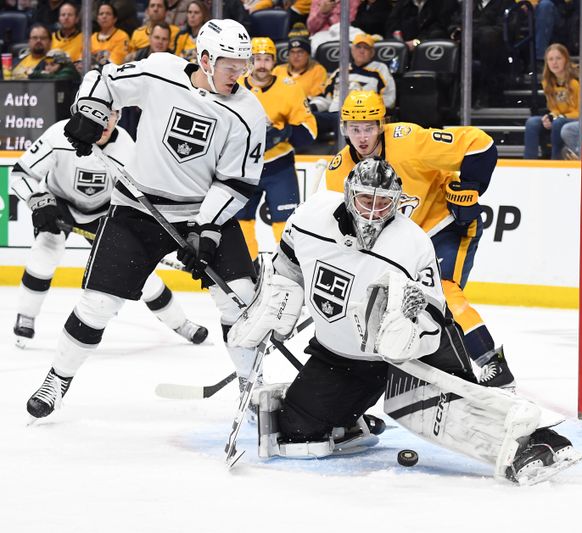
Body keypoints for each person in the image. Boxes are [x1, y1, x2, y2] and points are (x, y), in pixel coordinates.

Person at [227, 157, 582, 484]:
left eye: (384, 202)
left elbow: (433, 316)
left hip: (413, 348)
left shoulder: (411, 243)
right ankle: (351, 419)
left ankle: (538, 441)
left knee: (455, 405)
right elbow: (287, 264)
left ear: (397, 202)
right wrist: (275, 303)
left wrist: (405, 330)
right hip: (345, 356)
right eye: (367, 199)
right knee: (296, 431)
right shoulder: (309, 218)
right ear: (349, 194)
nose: (374, 211)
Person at [25, 19, 267, 420]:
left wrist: (206, 232)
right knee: (97, 303)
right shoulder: (161, 71)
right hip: (137, 210)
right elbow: (103, 80)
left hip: (202, 213)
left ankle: (251, 385)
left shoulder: (248, 113)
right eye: (230, 64)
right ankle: (57, 378)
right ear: (205, 59)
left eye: (243, 64)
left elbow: (235, 182)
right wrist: (90, 112)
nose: (239, 73)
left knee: (237, 299)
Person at [324, 90, 516, 389]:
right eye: (354, 128)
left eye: (369, 128)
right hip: (402, 243)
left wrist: (470, 187)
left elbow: (481, 145)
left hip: (445, 225)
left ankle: (491, 363)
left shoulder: (409, 141)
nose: (362, 137)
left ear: (382, 124)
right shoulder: (339, 172)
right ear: (344, 128)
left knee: (443, 291)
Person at [11, 112, 208, 349]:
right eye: (97, 114)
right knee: (47, 247)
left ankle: (180, 323)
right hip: (59, 204)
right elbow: (21, 174)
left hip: (105, 211)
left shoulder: (127, 149)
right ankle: (26, 315)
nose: (104, 120)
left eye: (111, 114)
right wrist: (38, 200)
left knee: (137, 271)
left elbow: (139, 198)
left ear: (119, 116)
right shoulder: (58, 135)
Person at [236, 37, 318, 254]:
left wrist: (282, 134)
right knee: (239, 223)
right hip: (242, 167)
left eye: (267, 59)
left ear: (274, 62)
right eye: (256, 59)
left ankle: (286, 278)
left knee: (287, 227)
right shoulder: (234, 86)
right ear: (248, 61)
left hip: (278, 167)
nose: (262, 64)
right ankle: (248, 275)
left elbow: (310, 132)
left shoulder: (290, 89)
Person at [309, 33, 396, 138]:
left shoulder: (380, 69)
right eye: (358, 47)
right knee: (305, 118)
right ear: (352, 50)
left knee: (342, 121)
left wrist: (368, 109)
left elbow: (389, 99)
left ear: (372, 52)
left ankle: (344, 153)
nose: (361, 50)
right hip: (334, 114)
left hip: (362, 117)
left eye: (366, 48)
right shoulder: (340, 71)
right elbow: (327, 98)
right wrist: (312, 106)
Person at [524, 44, 582, 160]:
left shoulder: (578, 79)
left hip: (580, 118)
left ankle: (555, 160)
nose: (554, 62)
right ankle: (529, 162)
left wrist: (559, 117)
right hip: (561, 117)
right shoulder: (547, 81)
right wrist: (550, 116)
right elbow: (553, 107)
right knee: (532, 122)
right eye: (551, 59)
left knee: (558, 123)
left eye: (558, 58)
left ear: (566, 59)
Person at [90, 1, 130, 67]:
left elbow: (116, 62)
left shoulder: (122, 36)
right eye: (101, 14)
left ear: (115, 19)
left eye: (108, 14)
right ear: (97, 19)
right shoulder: (92, 38)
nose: (104, 16)